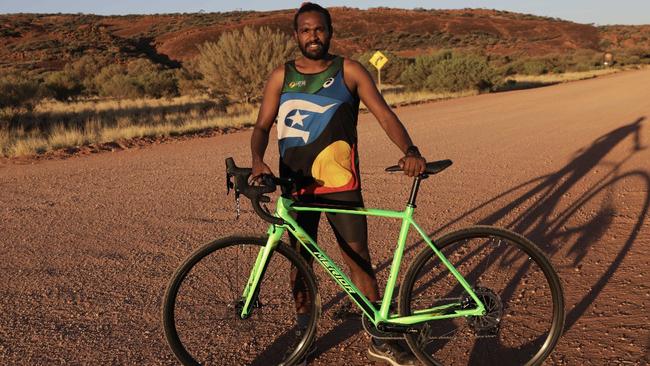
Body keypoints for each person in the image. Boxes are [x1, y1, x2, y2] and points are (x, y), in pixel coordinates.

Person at [250, 3, 426, 365]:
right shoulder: (281, 77)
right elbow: (262, 126)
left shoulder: (349, 71)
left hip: (341, 184)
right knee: (299, 261)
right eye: (305, 30)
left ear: (329, 32)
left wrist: (410, 149)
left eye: (319, 29)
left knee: (357, 259)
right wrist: (257, 159)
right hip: (296, 186)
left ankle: (379, 337)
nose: (313, 36)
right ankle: (306, 332)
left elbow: (384, 115)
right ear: (296, 35)